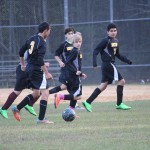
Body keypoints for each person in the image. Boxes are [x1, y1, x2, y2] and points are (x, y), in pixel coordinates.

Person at [82, 23, 132, 112]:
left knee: (103, 86)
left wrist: (127, 60)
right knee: (122, 81)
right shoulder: (105, 41)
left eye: (115, 30)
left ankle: (88, 102)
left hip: (108, 65)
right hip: (108, 64)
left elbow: (117, 54)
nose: (113, 32)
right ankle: (119, 104)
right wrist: (94, 63)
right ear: (107, 32)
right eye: (111, 31)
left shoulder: (115, 41)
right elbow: (95, 50)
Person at [11, 22, 53, 124]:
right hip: (36, 70)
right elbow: (39, 60)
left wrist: (23, 65)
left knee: (36, 93)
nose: (49, 33)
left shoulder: (31, 38)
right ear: (45, 31)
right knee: (45, 93)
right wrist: (46, 73)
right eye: (49, 31)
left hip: (29, 68)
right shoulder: (42, 42)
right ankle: (41, 119)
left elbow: (21, 51)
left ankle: (17, 108)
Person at [49, 28, 84, 110]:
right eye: (69, 33)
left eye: (72, 33)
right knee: (75, 91)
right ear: (66, 35)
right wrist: (60, 62)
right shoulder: (64, 45)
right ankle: (59, 97)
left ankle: (72, 108)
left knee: (65, 87)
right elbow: (57, 55)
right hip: (68, 71)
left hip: (73, 71)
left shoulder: (76, 47)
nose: (71, 35)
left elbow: (76, 62)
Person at [0, 51, 38, 119]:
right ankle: (3, 109)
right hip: (23, 71)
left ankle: (29, 105)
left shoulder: (40, 45)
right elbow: (22, 54)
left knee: (38, 91)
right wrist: (23, 65)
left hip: (31, 71)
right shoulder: (33, 44)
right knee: (17, 92)